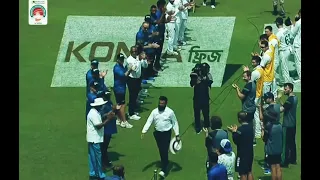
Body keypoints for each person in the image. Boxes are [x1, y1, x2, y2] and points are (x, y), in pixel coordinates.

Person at [141, 96, 180, 178]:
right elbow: (149, 121)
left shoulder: (170, 112)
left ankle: (164, 169)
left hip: (166, 133)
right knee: (161, 149)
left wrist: (177, 134)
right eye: (160, 103)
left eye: (162, 103)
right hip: (157, 133)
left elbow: (175, 123)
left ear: (166, 103)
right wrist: (144, 131)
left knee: (164, 150)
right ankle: (165, 161)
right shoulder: (154, 112)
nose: (160, 105)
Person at [87, 98, 115, 180]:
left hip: (92, 139)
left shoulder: (94, 112)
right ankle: (99, 175)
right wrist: (109, 119)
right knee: (97, 158)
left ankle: (93, 173)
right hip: (95, 139)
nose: (103, 106)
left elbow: (100, 117)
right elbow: (98, 126)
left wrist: (107, 115)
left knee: (92, 157)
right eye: (102, 105)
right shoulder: (94, 114)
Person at [228, 111, 254, 180]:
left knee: (242, 173)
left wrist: (233, 132)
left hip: (242, 154)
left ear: (239, 119)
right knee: (249, 171)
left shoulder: (240, 129)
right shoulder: (251, 127)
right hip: (250, 153)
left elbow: (236, 141)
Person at [232, 71, 256, 145]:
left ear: (249, 77)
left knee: (246, 125)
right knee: (251, 124)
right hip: (252, 107)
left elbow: (241, 96)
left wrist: (236, 89)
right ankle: (253, 139)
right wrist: (239, 89)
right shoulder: (253, 83)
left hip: (247, 108)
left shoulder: (248, 86)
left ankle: (249, 139)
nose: (243, 78)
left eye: (244, 76)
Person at [244, 55, 264, 141]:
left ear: (258, 62)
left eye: (253, 62)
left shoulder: (255, 73)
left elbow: (249, 80)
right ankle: (258, 132)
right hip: (259, 93)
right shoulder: (260, 69)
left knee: (255, 115)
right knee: (257, 114)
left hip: (256, 95)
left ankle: (257, 133)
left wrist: (246, 71)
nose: (252, 64)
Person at [126, 46, 148, 120]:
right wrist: (138, 60)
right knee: (132, 96)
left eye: (136, 51)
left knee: (135, 95)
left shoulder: (138, 58)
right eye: (133, 52)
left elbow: (145, 65)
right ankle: (130, 113)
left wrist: (144, 59)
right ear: (130, 52)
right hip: (132, 80)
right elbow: (134, 69)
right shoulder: (129, 60)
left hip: (138, 79)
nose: (135, 53)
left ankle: (133, 110)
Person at [280, 83, 298, 167]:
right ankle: (293, 159)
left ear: (290, 89)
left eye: (285, 89)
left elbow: (282, 109)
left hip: (287, 124)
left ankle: (285, 162)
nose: (284, 90)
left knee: (285, 144)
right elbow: (286, 106)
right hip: (293, 124)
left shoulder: (289, 100)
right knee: (292, 143)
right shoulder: (295, 98)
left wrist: (278, 100)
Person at [113, 53, 133, 128]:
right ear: (117, 59)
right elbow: (124, 75)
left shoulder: (121, 66)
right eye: (120, 59)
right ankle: (124, 122)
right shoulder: (117, 68)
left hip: (121, 88)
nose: (122, 61)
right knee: (122, 105)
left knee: (119, 104)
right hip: (119, 89)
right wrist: (130, 69)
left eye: (122, 59)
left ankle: (118, 119)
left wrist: (129, 70)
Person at [262, 108, 283, 180]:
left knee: (273, 167)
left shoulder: (269, 126)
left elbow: (264, 139)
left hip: (271, 149)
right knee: (278, 166)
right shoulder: (280, 125)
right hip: (279, 149)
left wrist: (262, 130)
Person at [100, 91, 118, 169]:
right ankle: (104, 162)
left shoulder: (109, 102)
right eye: (107, 96)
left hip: (110, 128)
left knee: (105, 146)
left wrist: (115, 111)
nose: (108, 97)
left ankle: (104, 161)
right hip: (106, 128)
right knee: (103, 146)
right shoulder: (103, 105)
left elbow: (113, 112)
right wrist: (109, 114)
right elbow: (101, 115)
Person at [275, 17, 294, 85]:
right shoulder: (286, 29)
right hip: (288, 49)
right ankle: (282, 81)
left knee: (284, 68)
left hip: (283, 51)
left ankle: (287, 83)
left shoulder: (279, 33)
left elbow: (276, 43)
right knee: (281, 66)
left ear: (277, 23)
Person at [289, 9, 301, 81]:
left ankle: (300, 77)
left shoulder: (299, 22)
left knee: (298, 62)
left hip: (298, 44)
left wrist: (292, 25)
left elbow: (293, 33)